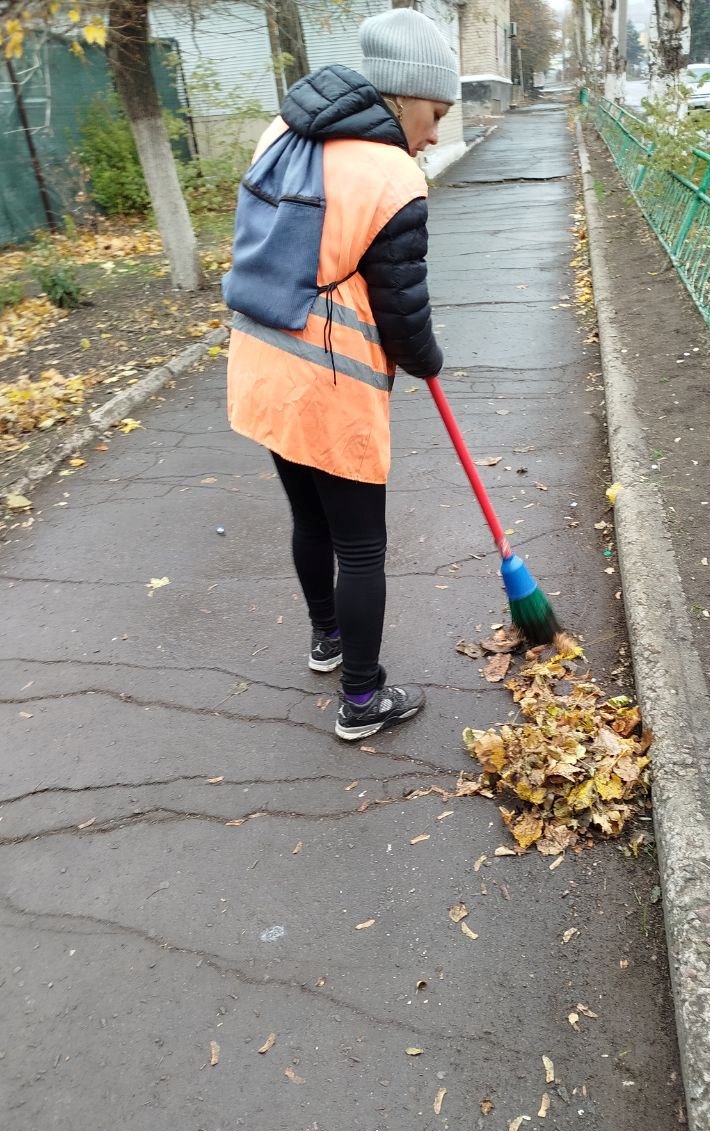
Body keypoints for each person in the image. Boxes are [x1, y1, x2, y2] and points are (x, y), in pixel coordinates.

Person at [225, 9, 457, 741]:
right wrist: (427, 360)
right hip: (329, 382)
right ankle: (362, 699)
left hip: (261, 363)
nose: (436, 134)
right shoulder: (392, 173)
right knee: (361, 546)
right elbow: (401, 310)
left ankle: (327, 640)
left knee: (308, 518)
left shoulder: (281, 133)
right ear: (403, 96)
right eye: (435, 113)